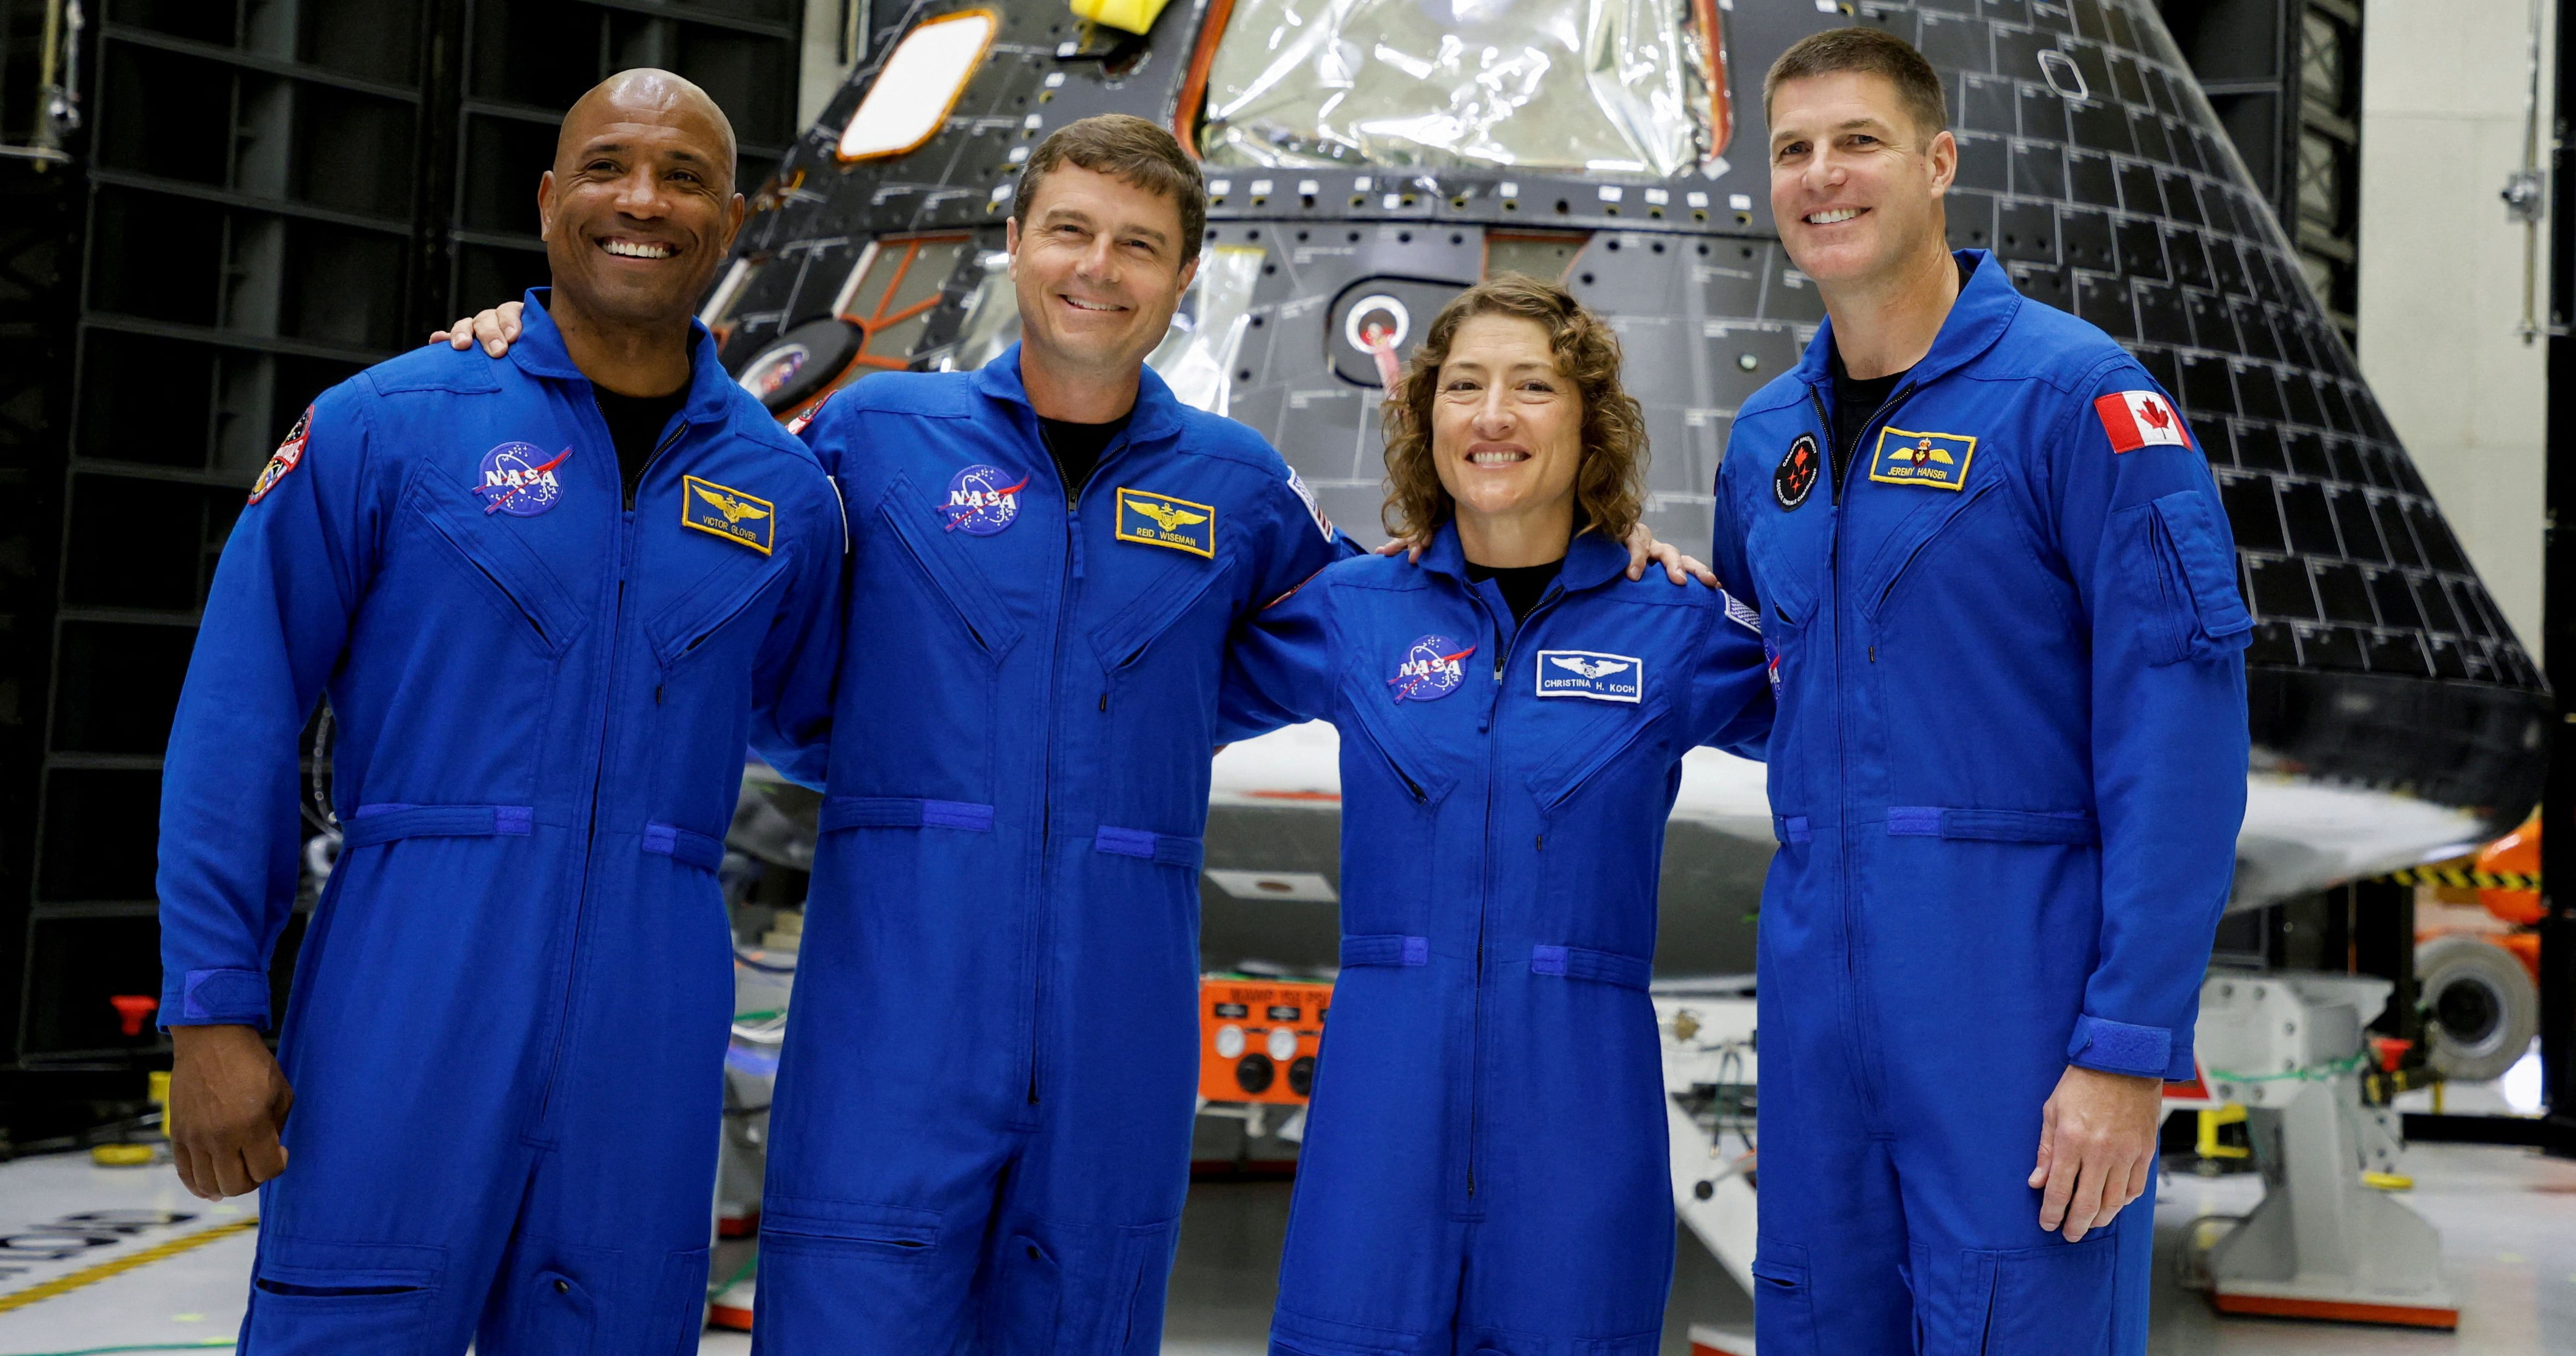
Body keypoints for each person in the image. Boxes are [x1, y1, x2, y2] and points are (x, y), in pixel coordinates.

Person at [439, 115, 1707, 1352]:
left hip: (1113, 1038)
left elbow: (1402, 618)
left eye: (1139, 244)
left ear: (1186, 278)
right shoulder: (878, 437)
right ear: (1015, 240)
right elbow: (706, 522)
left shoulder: (1237, 488)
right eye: (1069, 231)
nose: (1097, 268)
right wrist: (531, 344)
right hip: (896, 1018)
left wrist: (1616, 558)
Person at [156, 71, 846, 1353]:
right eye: (606, 166)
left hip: (653, 1013)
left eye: (683, 175)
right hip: (406, 982)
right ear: (547, 201)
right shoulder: (388, 427)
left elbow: (824, 721)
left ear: (732, 220)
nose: (642, 198)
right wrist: (212, 1008)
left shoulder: (790, 495)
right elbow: (236, 722)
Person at [1713, 28, 2251, 1356]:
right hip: (1818, 1015)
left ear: (1939, 161)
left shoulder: (2078, 402)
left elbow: (2175, 744)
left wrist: (2126, 1048)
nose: (1820, 177)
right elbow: (1765, 685)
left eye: (1858, 142)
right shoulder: (1765, 440)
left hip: (2013, 1008)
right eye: (1792, 151)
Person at [1219, 275, 1771, 1356]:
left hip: (1580, 1106)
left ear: (1589, 420)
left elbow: (1854, 722)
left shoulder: (1677, 619)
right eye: (1463, 385)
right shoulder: (1352, 611)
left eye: (1533, 385)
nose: (1494, 415)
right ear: (1427, 418)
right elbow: (1150, 682)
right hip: (1381, 1107)